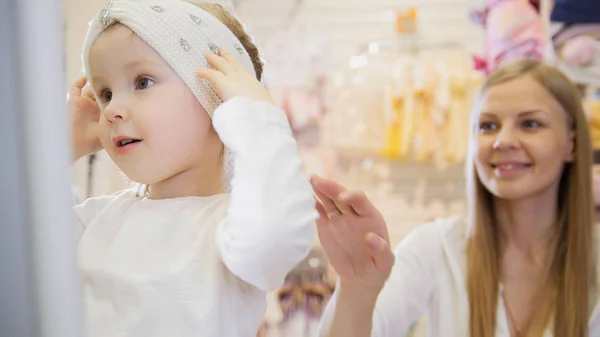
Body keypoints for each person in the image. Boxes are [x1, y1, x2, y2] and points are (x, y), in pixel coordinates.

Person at [67, 0, 318, 336]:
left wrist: (257, 121)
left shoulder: (233, 229)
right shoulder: (96, 221)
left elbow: (275, 234)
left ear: (217, 98)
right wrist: (59, 147)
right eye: (105, 93)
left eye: (142, 82)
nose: (112, 109)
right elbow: (19, 253)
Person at [313, 59, 600, 337]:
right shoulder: (436, 247)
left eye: (531, 124)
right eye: (488, 126)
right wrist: (356, 286)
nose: (503, 140)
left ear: (572, 145)